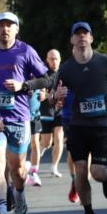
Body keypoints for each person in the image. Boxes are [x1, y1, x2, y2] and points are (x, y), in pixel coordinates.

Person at [0, 12, 48, 214]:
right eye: (1, 25)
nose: (5, 29)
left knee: (17, 169)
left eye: (10, 26)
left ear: (17, 29)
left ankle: (18, 194)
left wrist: (23, 86)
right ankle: (1, 211)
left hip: (19, 118)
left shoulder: (26, 51)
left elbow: (47, 79)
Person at [53, 22, 107, 214]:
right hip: (77, 126)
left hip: (102, 125)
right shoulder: (66, 69)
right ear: (72, 40)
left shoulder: (104, 62)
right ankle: (88, 212)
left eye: (85, 34)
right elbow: (54, 98)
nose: (81, 37)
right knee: (80, 169)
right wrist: (56, 96)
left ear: (91, 38)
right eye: (77, 34)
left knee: (97, 172)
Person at [38, 49, 66, 177]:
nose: (54, 61)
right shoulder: (44, 74)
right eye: (51, 59)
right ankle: (36, 156)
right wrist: (47, 95)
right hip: (46, 111)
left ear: (60, 59)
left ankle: (54, 167)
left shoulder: (65, 73)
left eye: (56, 58)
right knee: (46, 143)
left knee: (59, 137)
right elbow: (42, 94)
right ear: (47, 60)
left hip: (60, 111)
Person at [26, 89, 44, 186]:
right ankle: (23, 168)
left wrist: (44, 93)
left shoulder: (38, 74)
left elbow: (45, 82)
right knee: (22, 144)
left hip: (35, 115)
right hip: (21, 116)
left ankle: (34, 172)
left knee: (35, 143)